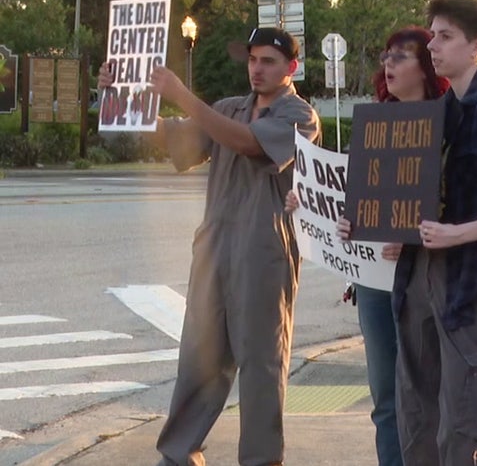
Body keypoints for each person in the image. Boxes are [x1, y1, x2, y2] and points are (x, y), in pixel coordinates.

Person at [341, 0, 477, 465]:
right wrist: (372, 219)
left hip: (475, 286)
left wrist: (458, 233)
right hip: (422, 279)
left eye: (446, 36)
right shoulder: (443, 110)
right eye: (432, 34)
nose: (433, 44)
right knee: (417, 417)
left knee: (464, 428)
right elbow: (417, 198)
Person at [100, 26, 320, 466]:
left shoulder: (299, 115)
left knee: (261, 365)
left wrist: (181, 93)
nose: (256, 69)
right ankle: (180, 454)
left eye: (268, 61)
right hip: (214, 246)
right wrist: (119, 101)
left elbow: (247, 143)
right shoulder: (229, 108)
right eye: (253, 60)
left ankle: (261, 459)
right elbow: (172, 138)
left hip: (264, 251)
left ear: (291, 67)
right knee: (199, 358)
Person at [286, 27, 448, 466]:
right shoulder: (376, 123)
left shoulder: (450, 124)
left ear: (428, 67)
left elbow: (458, 203)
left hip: (425, 278)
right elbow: (357, 199)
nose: (388, 64)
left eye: (401, 56)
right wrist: (311, 205)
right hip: (375, 280)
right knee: (385, 398)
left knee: (427, 397)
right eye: (386, 55)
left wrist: (412, 235)